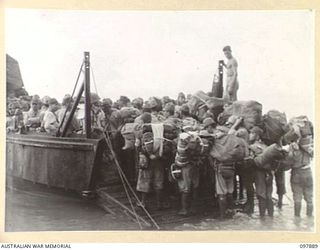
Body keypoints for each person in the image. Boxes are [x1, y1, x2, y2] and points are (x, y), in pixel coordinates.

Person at [248, 126, 274, 218]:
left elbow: (250, 161)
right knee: (269, 195)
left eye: (251, 133)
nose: (249, 135)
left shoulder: (252, 147)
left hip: (259, 173)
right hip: (270, 173)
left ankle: (262, 219)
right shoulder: (267, 147)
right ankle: (271, 218)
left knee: (261, 194)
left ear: (257, 135)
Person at [287, 142, 313, 217]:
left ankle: (297, 221)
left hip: (296, 173)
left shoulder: (293, 146)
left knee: (297, 198)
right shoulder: (308, 144)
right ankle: (309, 220)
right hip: (308, 172)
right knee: (309, 198)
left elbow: (288, 161)